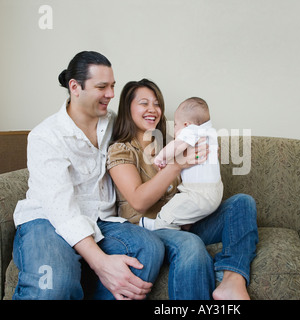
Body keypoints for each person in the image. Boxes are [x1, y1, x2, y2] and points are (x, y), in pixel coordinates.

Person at [12, 51, 164, 300]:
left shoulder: (114, 123)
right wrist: (100, 263)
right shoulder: (46, 136)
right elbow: (62, 211)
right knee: (55, 283)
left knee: (150, 247)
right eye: (102, 87)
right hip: (47, 220)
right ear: (75, 87)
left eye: (113, 86)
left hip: (100, 220)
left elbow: (147, 130)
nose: (112, 95)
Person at [107, 79, 259, 300]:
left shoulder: (171, 143)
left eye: (157, 104)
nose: (153, 109)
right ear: (127, 108)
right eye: (143, 103)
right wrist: (177, 164)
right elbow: (138, 202)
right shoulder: (121, 149)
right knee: (191, 245)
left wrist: (204, 162)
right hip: (149, 228)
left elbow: (193, 187)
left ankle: (232, 280)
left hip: (182, 220)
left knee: (243, 203)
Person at [139, 97, 223, 231]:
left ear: (186, 125)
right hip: (216, 192)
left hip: (197, 193)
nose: (175, 130)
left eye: (176, 125)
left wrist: (162, 157)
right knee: (183, 212)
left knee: (169, 213)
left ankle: (158, 225)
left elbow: (177, 146)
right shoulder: (210, 132)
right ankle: (183, 229)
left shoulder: (191, 130)